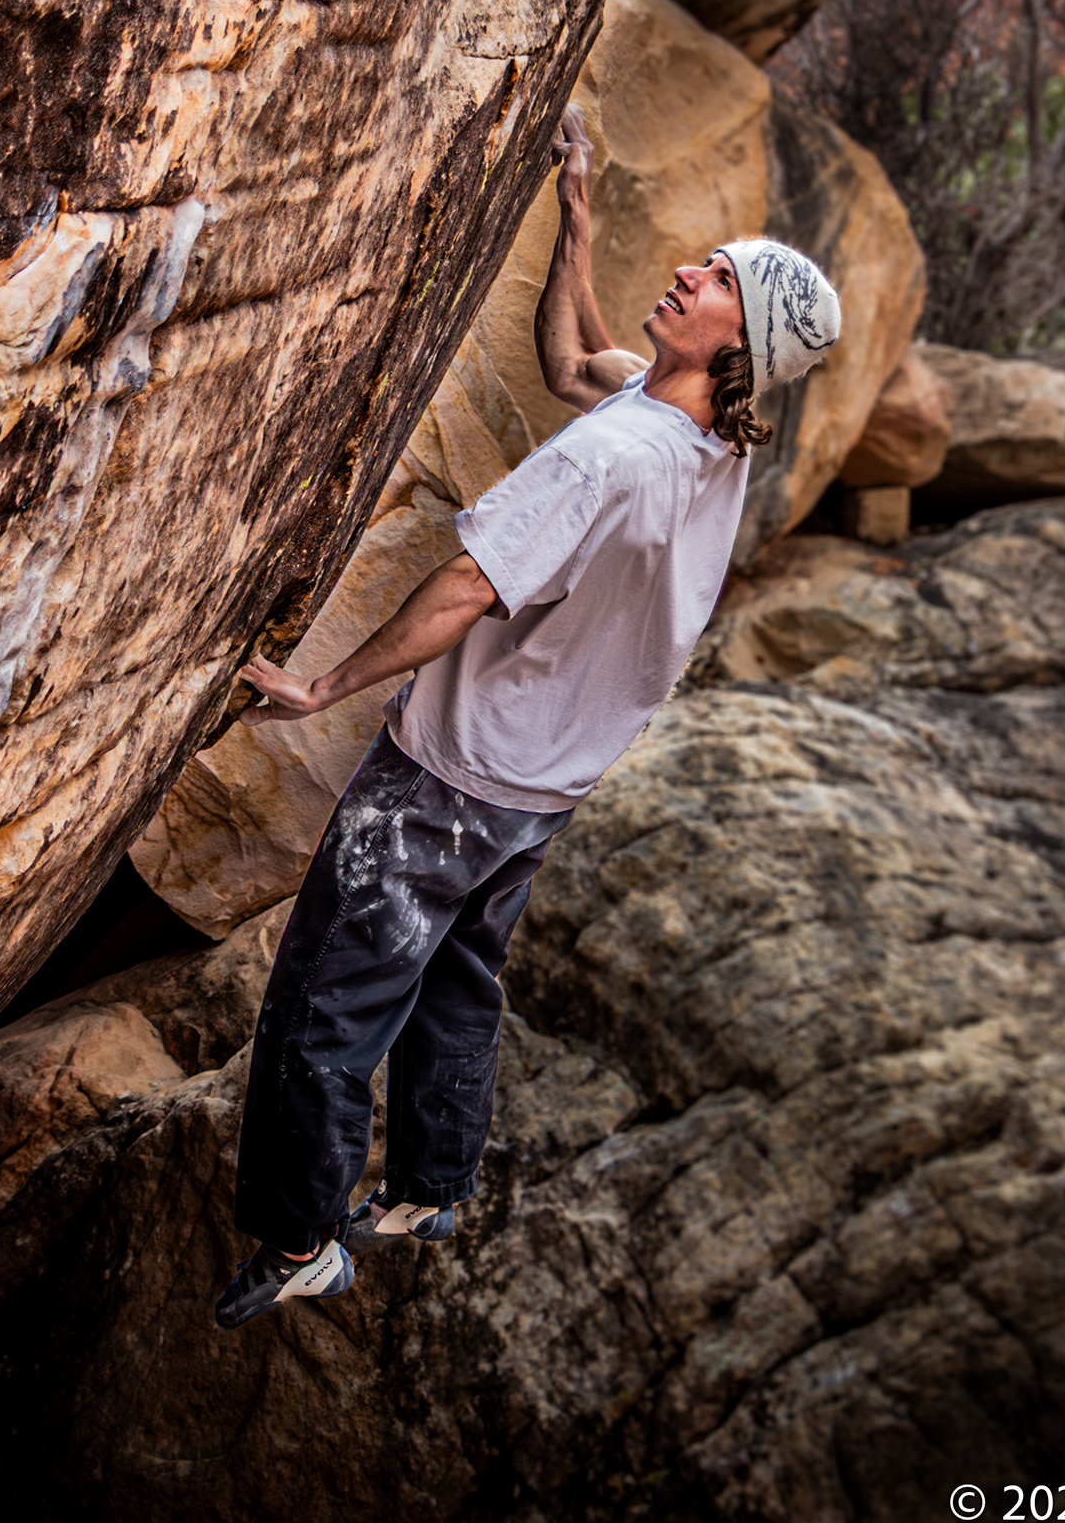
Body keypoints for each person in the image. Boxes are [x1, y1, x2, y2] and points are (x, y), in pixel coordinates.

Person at [215, 106, 841, 1327]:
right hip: (541, 787)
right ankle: (433, 1185)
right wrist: (578, 211)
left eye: (716, 278)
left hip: (451, 774)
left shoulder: (611, 465)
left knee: (323, 1006)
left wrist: (322, 685)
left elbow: (467, 587)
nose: (690, 271)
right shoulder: (709, 439)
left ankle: (301, 1240)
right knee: (455, 979)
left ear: (741, 344)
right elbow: (577, 364)